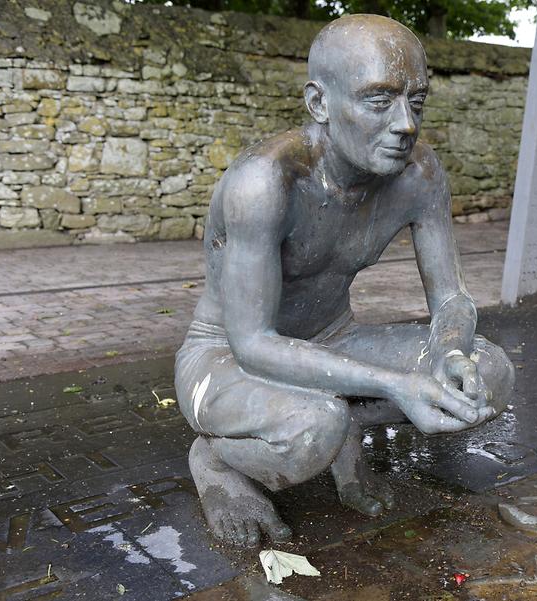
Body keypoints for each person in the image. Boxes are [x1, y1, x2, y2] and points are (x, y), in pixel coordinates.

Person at [174, 13, 515, 548]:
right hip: (226, 360)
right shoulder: (265, 182)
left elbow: (452, 299)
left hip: (334, 339)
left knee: (488, 372)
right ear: (319, 104)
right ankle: (217, 459)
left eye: (416, 102)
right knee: (317, 425)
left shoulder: (420, 175)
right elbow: (253, 344)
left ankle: (344, 433)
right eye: (379, 101)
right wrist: (394, 383)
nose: (405, 124)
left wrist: (449, 352)